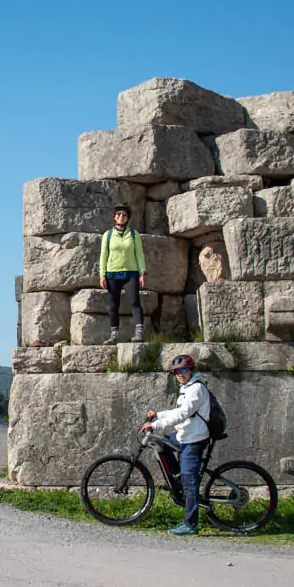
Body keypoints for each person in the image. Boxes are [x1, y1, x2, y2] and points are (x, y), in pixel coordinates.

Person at [140, 354, 210, 536]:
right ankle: (177, 477)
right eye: (177, 372)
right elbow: (178, 411)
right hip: (184, 434)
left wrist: (154, 425)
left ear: (191, 370)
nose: (180, 374)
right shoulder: (186, 388)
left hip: (194, 439)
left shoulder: (196, 389)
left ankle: (191, 524)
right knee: (161, 443)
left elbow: (183, 414)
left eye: (184, 370)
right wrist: (159, 414)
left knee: (190, 483)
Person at [98, 205, 146, 343]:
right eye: (118, 214)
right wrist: (102, 274)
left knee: (134, 302)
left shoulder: (133, 234)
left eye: (124, 214)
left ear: (127, 218)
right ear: (114, 217)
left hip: (130, 273)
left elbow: (139, 254)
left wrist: (143, 272)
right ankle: (114, 335)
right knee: (113, 305)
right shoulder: (107, 235)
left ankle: (139, 333)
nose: (121, 216)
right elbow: (103, 255)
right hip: (112, 274)